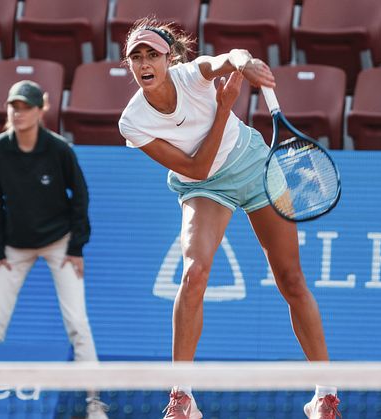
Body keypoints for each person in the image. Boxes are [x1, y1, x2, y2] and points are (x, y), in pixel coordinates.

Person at [117, 19, 342, 419]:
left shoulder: (192, 75)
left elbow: (227, 58)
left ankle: (325, 394)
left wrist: (247, 63)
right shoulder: (132, 121)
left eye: (153, 54)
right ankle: (182, 396)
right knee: (194, 273)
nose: (145, 62)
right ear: (129, 65)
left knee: (291, 280)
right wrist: (224, 109)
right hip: (204, 187)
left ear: (170, 59)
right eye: (137, 56)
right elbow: (198, 168)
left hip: (254, 167)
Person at [0, 80, 109, 419]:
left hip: (59, 243)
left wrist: (76, 247)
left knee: (78, 325)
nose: (18, 113)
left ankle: (94, 402)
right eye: (14, 106)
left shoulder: (59, 149)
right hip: (13, 248)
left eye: (25, 107)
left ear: (41, 110)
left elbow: (80, 197)